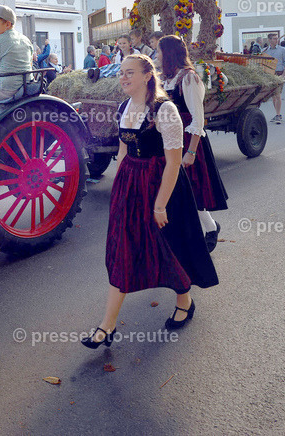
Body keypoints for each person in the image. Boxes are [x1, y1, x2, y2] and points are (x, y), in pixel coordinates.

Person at [81, 54, 217, 349]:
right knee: (124, 250)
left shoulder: (165, 110)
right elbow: (123, 150)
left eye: (130, 73)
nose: (123, 78)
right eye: (121, 74)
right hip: (131, 184)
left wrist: (159, 204)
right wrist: (121, 186)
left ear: (147, 75)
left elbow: (173, 162)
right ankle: (107, 325)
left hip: (161, 186)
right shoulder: (123, 107)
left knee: (168, 247)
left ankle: (185, 300)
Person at [158, 36, 228, 252]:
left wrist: (191, 152)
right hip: (171, 138)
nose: (157, 56)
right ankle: (196, 231)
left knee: (190, 190)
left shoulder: (189, 79)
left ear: (168, 53)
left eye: (159, 52)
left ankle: (209, 228)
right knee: (175, 189)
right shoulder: (166, 79)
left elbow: (198, 119)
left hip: (188, 140)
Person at [0, 5, 34, 106]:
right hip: (26, 85)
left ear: (8, 24)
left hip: (6, 87)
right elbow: (30, 63)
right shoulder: (26, 39)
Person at [262, 33, 285, 123]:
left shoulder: (282, 50)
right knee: (273, 96)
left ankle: (278, 115)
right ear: (269, 40)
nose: (276, 40)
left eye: (277, 38)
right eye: (274, 39)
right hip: (270, 75)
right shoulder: (265, 51)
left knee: (277, 95)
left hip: (279, 74)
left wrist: (283, 75)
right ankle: (277, 114)